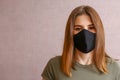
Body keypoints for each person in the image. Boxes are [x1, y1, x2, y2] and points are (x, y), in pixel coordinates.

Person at [41, 5, 120, 80]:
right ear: (70, 32)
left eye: (91, 27)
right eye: (78, 28)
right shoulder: (54, 65)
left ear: (99, 31)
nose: (85, 33)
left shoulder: (113, 68)